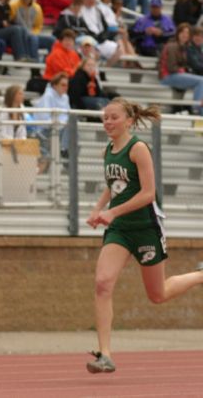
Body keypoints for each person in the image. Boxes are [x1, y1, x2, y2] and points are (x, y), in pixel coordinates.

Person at [86, 98, 203, 374]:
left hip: (146, 228)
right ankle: (105, 354)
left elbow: (148, 193)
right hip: (120, 231)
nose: (108, 122)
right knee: (103, 283)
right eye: (105, 118)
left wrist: (113, 213)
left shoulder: (138, 149)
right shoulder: (109, 150)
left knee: (158, 294)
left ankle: (200, 275)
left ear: (128, 121)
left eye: (113, 117)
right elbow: (113, 185)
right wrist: (98, 209)